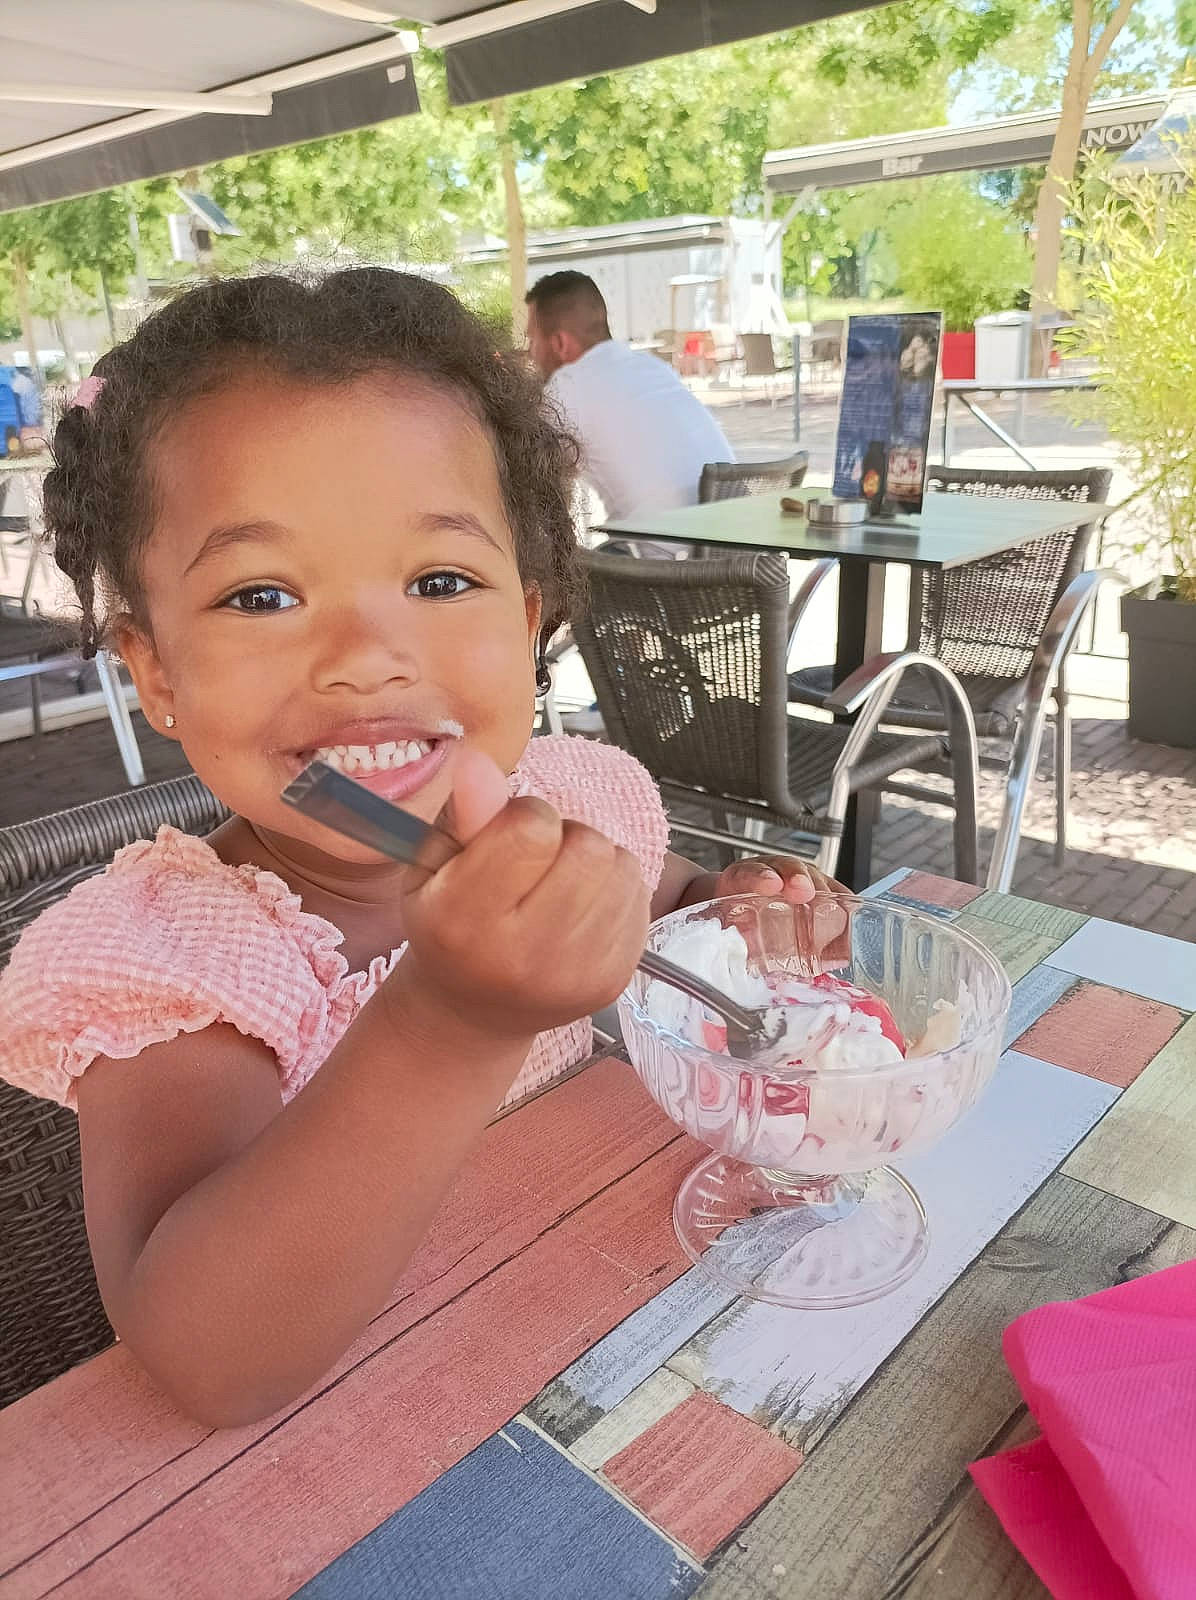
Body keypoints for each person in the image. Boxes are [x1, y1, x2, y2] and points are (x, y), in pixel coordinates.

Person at [0, 270, 843, 1428]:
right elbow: (209, 1360)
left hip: (598, 1339)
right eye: (260, 595)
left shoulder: (569, 799)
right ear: (156, 675)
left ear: (532, 619)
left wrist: (732, 906)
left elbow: (650, 905)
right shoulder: (176, 966)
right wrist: (450, 1018)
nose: (366, 654)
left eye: (440, 580)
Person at [524, 270, 734, 533]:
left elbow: (529, 482)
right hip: (735, 553)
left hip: (658, 564)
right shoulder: (653, 368)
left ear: (560, 343)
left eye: (532, 340)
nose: (530, 354)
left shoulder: (568, 385)